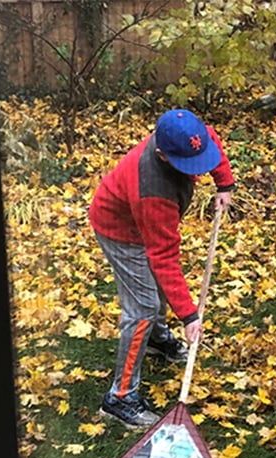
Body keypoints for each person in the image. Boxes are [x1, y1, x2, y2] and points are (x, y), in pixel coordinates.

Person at [89, 109, 234, 427]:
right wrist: (189, 315)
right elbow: (164, 257)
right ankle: (120, 398)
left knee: (154, 292)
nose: (197, 168)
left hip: (142, 223)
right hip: (120, 231)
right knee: (142, 307)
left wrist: (224, 184)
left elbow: (210, 139)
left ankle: (156, 340)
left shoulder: (185, 134)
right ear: (162, 155)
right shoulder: (153, 190)